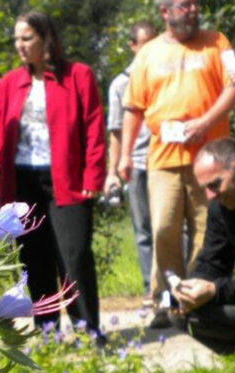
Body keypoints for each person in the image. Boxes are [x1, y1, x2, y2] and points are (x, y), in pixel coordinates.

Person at [118, 0, 235, 328]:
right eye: (183, 5)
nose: (191, 9)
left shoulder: (217, 42)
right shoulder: (149, 53)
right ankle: (167, 301)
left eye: (193, 5)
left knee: (207, 230)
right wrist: (124, 155)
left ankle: (201, 300)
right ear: (164, 12)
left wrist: (205, 122)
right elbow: (133, 107)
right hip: (163, 158)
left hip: (211, 161)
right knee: (163, 229)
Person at [0, 12, 106, 332]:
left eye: (27, 39)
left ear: (45, 39)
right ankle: (46, 328)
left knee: (74, 255)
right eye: (16, 40)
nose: (20, 46)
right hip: (22, 180)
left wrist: (94, 176)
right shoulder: (8, 84)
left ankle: (87, 328)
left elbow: (94, 129)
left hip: (69, 180)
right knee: (34, 259)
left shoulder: (79, 75)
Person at [104, 21, 158, 305]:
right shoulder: (120, 84)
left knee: (175, 229)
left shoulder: (164, 75)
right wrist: (112, 172)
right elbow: (116, 131)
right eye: (143, 44)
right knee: (143, 230)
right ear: (132, 46)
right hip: (136, 163)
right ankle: (151, 289)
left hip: (166, 162)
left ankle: (181, 288)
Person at [170, 138, 235, 344]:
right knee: (181, 313)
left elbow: (217, 287)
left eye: (215, 184)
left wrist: (215, 290)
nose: (210, 195)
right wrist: (188, 288)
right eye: (205, 188)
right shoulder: (220, 209)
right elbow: (212, 264)